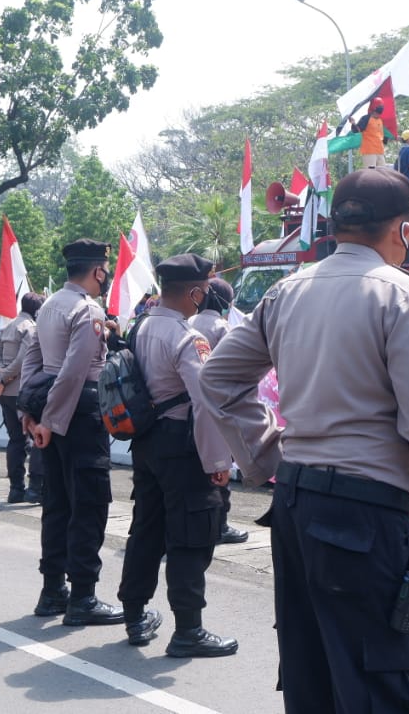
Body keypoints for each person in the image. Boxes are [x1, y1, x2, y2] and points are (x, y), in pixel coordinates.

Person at [198, 167, 409, 711]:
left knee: (312, 672)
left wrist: (267, 453)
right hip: (364, 511)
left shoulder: (287, 289)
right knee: (385, 683)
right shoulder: (399, 292)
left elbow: (219, 378)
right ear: (404, 230)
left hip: (295, 502)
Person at [114, 254, 237, 657]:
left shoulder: (142, 326)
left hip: (148, 441)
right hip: (182, 445)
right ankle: (189, 629)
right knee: (190, 536)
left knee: (146, 529)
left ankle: (134, 613)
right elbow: (205, 403)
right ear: (197, 292)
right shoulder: (188, 338)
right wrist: (218, 461)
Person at [18, 239, 123, 625]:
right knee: (89, 506)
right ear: (98, 271)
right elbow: (74, 373)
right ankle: (83, 597)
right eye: (106, 269)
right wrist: (48, 420)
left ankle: (52, 591)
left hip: (53, 416)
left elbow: (33, 361)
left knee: (57, 504)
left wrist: (29, 415)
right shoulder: (88, 309)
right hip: (78, 416)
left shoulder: (49, 305)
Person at [187, 276, 248, 545]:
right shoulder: (223, 327)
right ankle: (220, 524)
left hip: (186, 412)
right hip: (216, 409)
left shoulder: (188, 322)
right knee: (220, 467)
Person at [0, 292, 44, 504]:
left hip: (6, 392)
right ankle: (34, 488)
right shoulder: (30, 328)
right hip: (23, 391)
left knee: (15, 440)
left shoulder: (9, 325)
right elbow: (24, 360)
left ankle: (16, 489)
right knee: (37, 439)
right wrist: (3, 378)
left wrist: (0, 374)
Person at [350, 98, 388, 168]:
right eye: (380, 106)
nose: (381, 108)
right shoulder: (366, 118)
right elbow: (357, 130)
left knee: (383, 173)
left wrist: (393, 137)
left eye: (382, 106)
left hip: (380, 151)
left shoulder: (380, 120)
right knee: (371, 173)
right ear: (374, 107)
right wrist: (353, 123)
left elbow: (382, 136)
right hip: (369, 150)